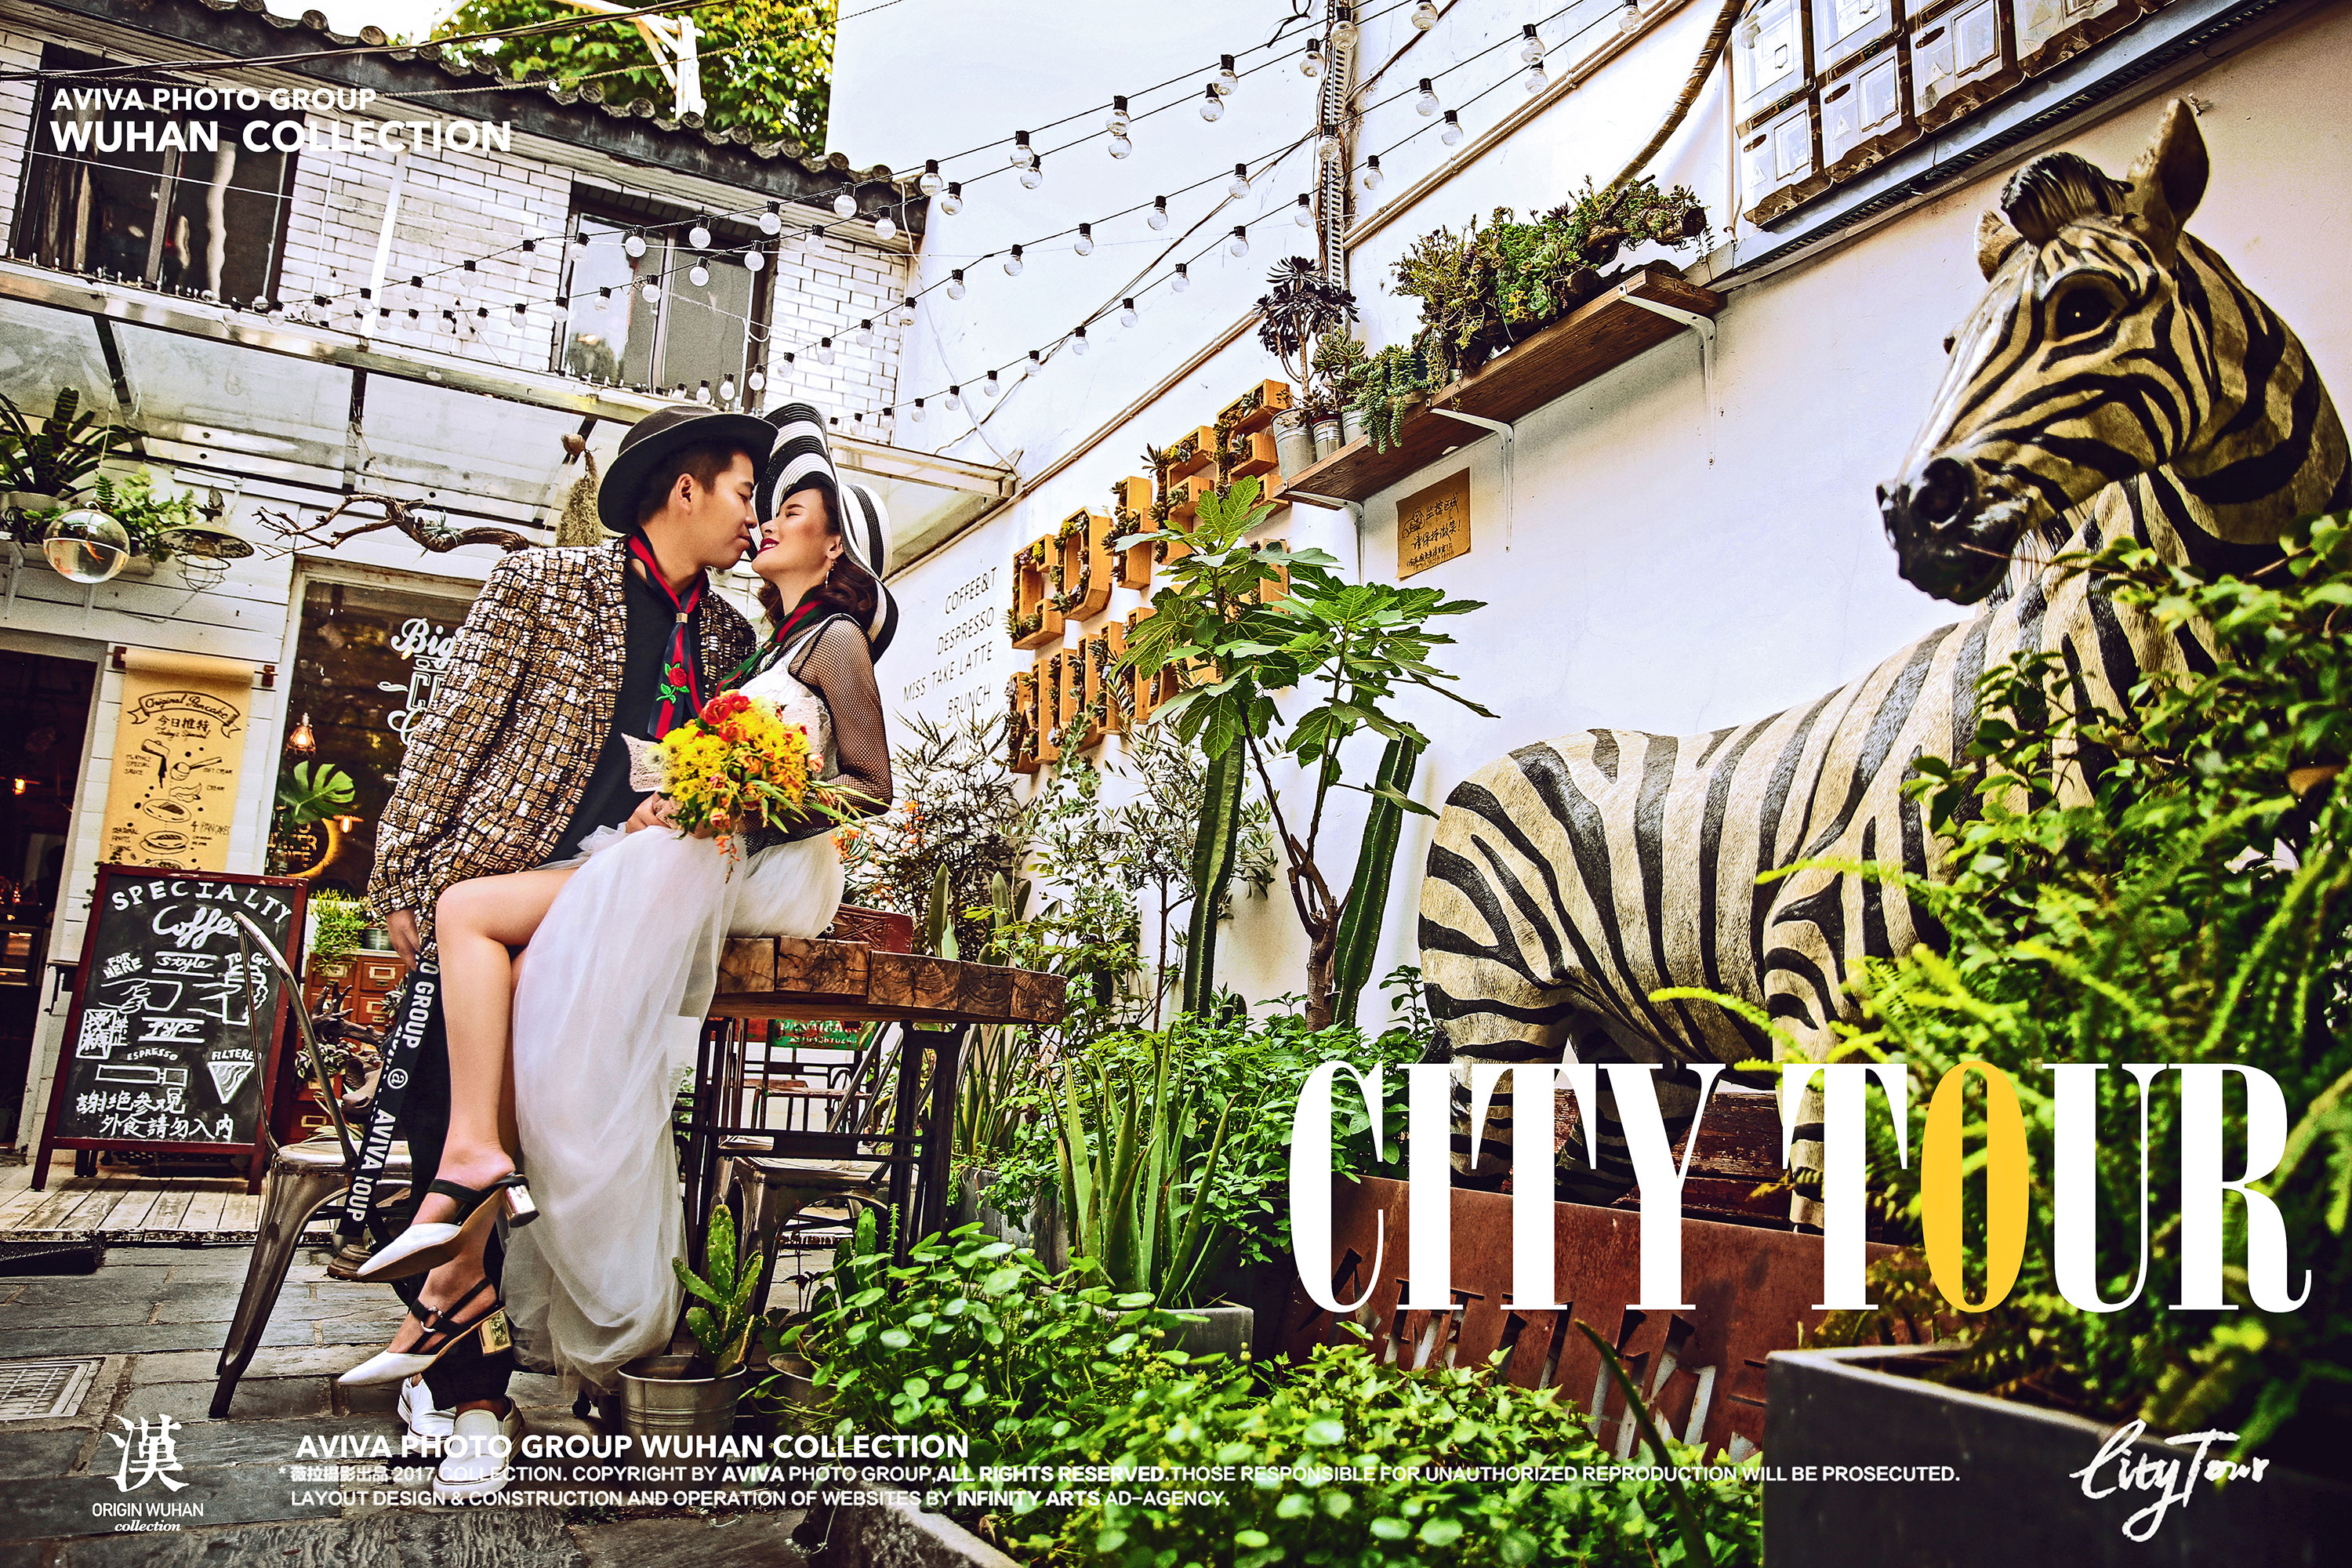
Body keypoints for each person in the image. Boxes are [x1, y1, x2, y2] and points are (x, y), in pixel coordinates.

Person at [350, 403, 770, 1494]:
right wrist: (405, 872)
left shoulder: (728, 639)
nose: (753, 516)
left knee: (533, 1121)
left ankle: (443, 1330)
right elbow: (450, 734)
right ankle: (471, 1394)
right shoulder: (544, 585)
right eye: (743, 491)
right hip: (498, 880)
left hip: (608, 907)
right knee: (450, 1114)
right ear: (684, 488)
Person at [500, 412, 897, 1396]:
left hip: (779, 861)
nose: (766, 522)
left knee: (584, 907)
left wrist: (749, 809)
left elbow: (870, 786)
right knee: (579, 972)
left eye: (789, 511)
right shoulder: (766, 648)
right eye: (764, 505)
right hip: (725, 846)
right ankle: (570, 1181)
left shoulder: (838, 639)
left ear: (832, 546)